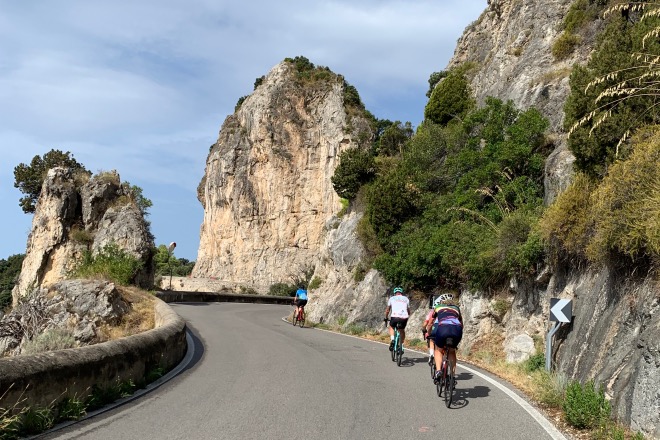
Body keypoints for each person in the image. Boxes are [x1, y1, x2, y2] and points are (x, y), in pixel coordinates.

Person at [425, 293, 463, 383]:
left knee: (438, 349)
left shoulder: (438, 307)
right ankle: (453, 377)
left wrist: (428, 333)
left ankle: (438, 371)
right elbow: (462, 324)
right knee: (452, 351)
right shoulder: (457, 308)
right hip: (456, 329)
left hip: (443, 329)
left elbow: (430, 323)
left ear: (442, 301)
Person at [384, 286, 410, 351]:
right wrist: (407, 316)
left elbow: (387, 310)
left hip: (395, 317)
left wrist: (386, 317)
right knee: (402, 330)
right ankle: (401, 345)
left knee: (391, 327)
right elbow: (408, 310)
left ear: (395, 293)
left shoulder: (392, 298)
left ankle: (392, 340)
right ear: (401, 293)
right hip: (404, 317)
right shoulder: (406, 299)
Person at [422, 299, 437, 365]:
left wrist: (424, 329)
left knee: (431, 340)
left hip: (433, 329)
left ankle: (431, 355)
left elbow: (426, 322)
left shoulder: (431, 312)